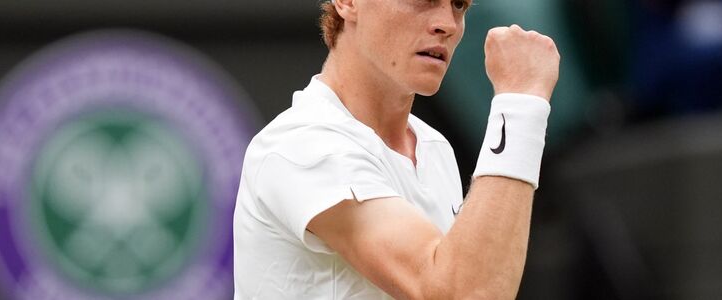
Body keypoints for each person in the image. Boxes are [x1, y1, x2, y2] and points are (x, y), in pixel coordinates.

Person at [233, 0, 560, 299]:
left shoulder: (433, 147)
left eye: (459, 5)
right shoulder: (302, 144)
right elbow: (466, 293)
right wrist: (520, 102)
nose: (447, 23)